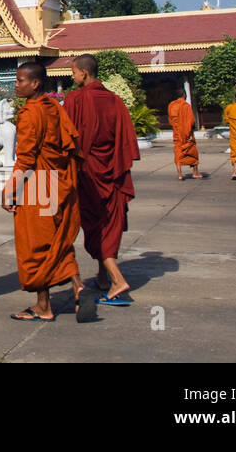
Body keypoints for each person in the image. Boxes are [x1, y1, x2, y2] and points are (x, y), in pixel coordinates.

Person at [2, 61, 94, 323]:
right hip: (58, 182)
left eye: (21, 81)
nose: (16, 85)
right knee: (57, 240)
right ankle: (78, 286)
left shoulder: (31, 113)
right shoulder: (54, 106)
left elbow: (26, 159)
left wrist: (9, 190)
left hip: (38, 185)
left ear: (36, 84)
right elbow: (70, 145)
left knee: (36, 244)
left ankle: (44, 306)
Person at [63, 54, 139, 306]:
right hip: (113, 171)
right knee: (108, 222)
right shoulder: (115, 101)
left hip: (88, 173)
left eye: (73, 72)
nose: (72, 76)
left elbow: (67, 137)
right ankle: (103, 276)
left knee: (94, 225)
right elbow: (126, 139)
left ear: (84, 73)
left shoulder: (75, 99)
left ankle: (117, 280)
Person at [168, 90, 205, 180]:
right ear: (184, 95)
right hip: (187, 133)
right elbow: (191, 121)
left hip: (177, 133)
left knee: (178, 152)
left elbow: (171, 120)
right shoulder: (186, 106)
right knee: (193, 152)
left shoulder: (171, 106)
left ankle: (180, 174)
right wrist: (188, 132)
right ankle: (195, 172)